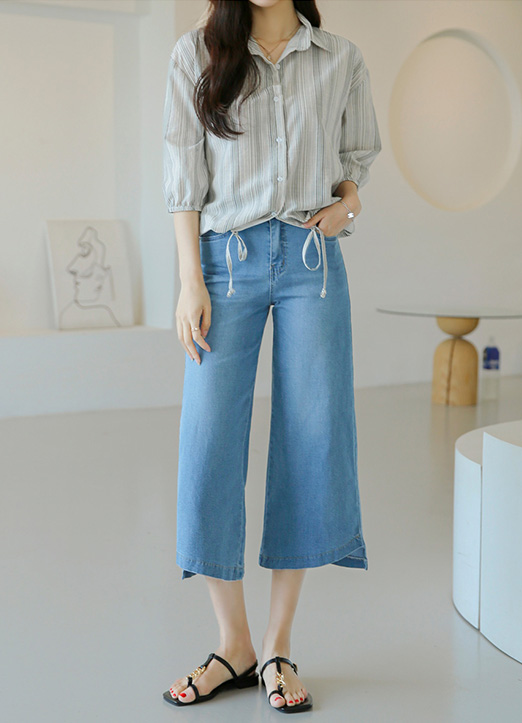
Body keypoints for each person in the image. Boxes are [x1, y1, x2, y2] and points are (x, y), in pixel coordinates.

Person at [161, 0, 381, 713]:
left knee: (311, 438)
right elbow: (183, 175)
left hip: (312, 262)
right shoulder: (196, 55)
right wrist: (190, 281)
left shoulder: (340, 58)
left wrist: (348, 204)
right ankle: (234, 643)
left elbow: (355, 162)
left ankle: (278, 643)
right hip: (223, 265)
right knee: (208, 441)